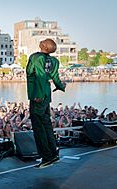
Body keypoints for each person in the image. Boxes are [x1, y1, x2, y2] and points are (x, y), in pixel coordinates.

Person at [26, 38, 66, 169]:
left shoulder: (35, 58)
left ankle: (46, 157)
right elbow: (55, 78)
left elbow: (38, 76)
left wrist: (36, 95)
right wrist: (60, 86)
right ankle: (53, 153)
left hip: (37, 96)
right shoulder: (54, 61)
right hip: (46, 97)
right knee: (47, 126)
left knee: (39, 129)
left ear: (43, 45)